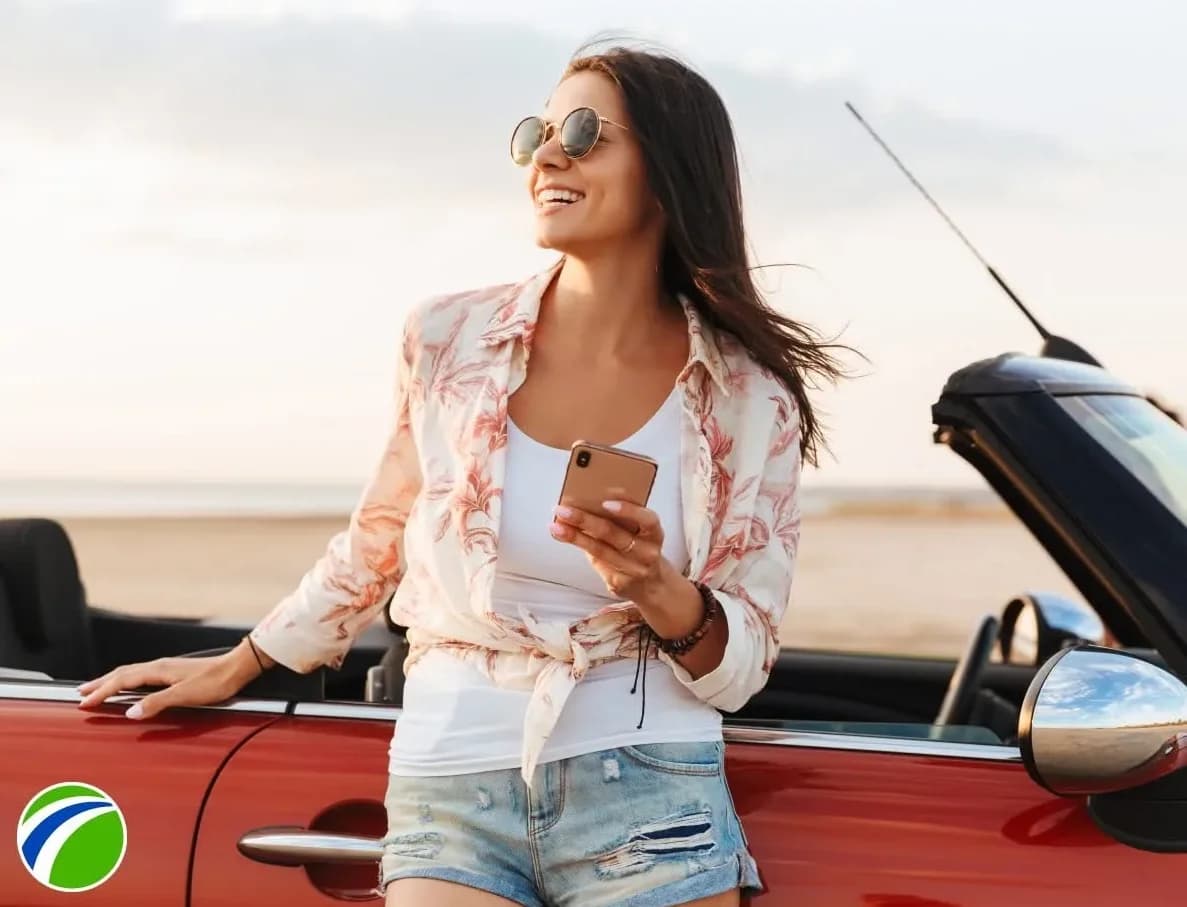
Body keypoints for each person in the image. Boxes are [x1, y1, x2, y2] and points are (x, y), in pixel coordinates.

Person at [78, 40, 849, 907]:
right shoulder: (446, 339)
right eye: (537, 134)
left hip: (651, 789)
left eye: (587, 132)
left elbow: (742, 659)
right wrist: (249, 658)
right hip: (453, 774)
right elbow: (378, 536)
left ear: (670, 170)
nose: (549, 156)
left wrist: (656, 587)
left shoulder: (749, 394)